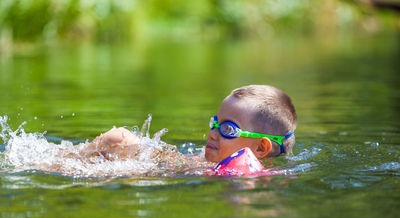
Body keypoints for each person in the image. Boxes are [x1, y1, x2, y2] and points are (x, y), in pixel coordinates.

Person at [86, 84, 297, 165]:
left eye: (227, 129)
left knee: (118, 140)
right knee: (119, 140)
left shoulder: (246, 180)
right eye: (215, 123)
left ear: (261, 147)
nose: (212, 134)